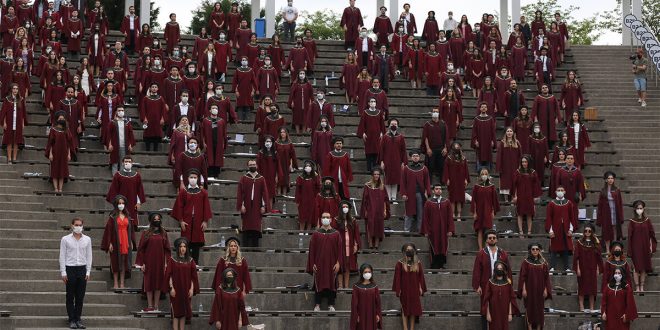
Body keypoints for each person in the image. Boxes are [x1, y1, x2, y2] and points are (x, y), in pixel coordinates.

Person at [472, 229, 511, 330]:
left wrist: (509, 283)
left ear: (497, 240)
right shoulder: (481, 253)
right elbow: (477, 270)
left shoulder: (503, 254)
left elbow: (508, 270)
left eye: (494, 238)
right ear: (486, 240)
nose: (492, 239)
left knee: (499, 308)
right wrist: (477, 286)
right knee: (485, 308)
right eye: (490, 238)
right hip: (485, 285)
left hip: (500, 285)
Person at [172, 169, 212, 264]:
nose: (193, 179)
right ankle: (185, 263)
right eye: (191, 177)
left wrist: (205, 221)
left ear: (198, 179)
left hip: (198, 221)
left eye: (195, 177)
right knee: (185, 243)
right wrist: (181, 221)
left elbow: (206, 207)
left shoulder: (203, 193)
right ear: (188, 178)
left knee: (196, 245)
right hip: (186, 221)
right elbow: (179, 207)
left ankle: (195, 264)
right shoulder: (183, 192)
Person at [59, 217, 92, 330]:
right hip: (70, 268)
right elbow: (62, 256)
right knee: (70, 295)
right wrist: (63, 272)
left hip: (82, 269)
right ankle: (72, 319)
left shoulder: (87, 239)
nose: (78, 227)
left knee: (80, 296)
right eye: (76, 225)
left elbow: (89, 256)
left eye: (80, 225)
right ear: (72, 225)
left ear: (83, 226)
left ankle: (78, 319)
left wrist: (88, 271)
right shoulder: (65, 239)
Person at [307, 212, 342, 312]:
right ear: (321, 219)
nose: (325, 219)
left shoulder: (336, 234)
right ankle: (317, 304)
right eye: (323, 217)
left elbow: (340, 250)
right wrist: (312, 263)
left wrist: (338, 263)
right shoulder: (316, 234)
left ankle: (331, 304)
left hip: (332, 264)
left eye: (327, 217)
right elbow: (312, 250)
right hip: (319, 264)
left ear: (331, 219)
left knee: (332, 283)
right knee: (319, 282)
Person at [135, 213, 170, 312]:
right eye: (155, 219)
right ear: (151, 221)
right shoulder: (146, 233)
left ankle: (156, 306)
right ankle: (150, 305)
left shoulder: (164, 233)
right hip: (148, 262)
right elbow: (141, 249)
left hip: (160, 262)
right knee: (149, 283)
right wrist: (141, 263)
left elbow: (167, 249)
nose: (157, 221)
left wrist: (166, 262)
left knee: (159, 283)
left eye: (158, 219)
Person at [166, 237, 200, 330]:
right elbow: (169, 275)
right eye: (181, 246)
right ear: (178, 248)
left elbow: (194, 277)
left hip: (186, 290)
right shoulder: (172, 260)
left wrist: (192, 289)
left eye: (184, 246)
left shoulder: (191, 260)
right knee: (176, 314)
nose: (183, 248)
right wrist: (171, 288)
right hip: (176, 290)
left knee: (184, 313)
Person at [101, 195, 134, 289]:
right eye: (119, 203)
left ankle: (122, 283)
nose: (121, 205)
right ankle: (115, 283)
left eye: (123, 203)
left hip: (125, 240)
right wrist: (109, 243)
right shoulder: (112, 217)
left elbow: (130, 230)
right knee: (115, 261)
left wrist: (131, 241)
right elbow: (109, 231)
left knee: (124, 261)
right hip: (116, 241)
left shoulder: (128, 216)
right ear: (116, 204)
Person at [236, 159, 271, 247]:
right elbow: (240, 193)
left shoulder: (261, 179)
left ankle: (255, 247)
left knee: (256, 227)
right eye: (251, 165)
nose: (252, 166)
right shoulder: (244, 178)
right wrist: (241, 205)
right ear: (248, 166)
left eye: (254, 164)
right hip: (247, 206)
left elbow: (264, 193)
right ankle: (246, 248)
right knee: (246, 227)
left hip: (257, 206)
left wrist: (264, 206)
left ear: (257, 166)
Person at [393, 243, 427, 330]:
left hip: (414, 289)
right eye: (407, 250)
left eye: (411, 250)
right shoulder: (399, 263)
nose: (409, 251)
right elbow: (397, 278)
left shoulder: (417, 263)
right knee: (404, 309)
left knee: (413, 310)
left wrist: (421, 288)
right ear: (404, 251)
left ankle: (411, 328)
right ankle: (405, 328)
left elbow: (420, 277)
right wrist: (398, 289)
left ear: (414, 251)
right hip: (404, 289)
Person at [518, 242, 552, 330]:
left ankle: (538, 328)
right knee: (529, 309)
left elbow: (546, 278)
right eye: (533, 249)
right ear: (530, 250)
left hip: (540, 290)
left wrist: (545, 289)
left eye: (537, 249)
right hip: (529, 290)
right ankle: (529, 328)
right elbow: (523, 277)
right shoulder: (526, 262)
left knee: (540, 310)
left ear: (539, 250)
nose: (535, 251)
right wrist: (524, 289)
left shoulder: (543, 263)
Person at [106, 155, 146, 229]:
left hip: (133, 201)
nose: (127, 163)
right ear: (123, 163)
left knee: (132, 219)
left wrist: (138, 202)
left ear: (132, 163)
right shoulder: (118, 175)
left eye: (129, 162)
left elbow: (139, 190)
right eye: (126, 161)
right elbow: (113, 189)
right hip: (121, 202)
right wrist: (116, 202)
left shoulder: (137, 176)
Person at [545, 185, 577, 273]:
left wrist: (571, 229)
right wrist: (550, 230)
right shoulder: (552, 203)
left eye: (562, 190)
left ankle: (567, 267)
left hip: (566, 229)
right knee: (554, 248)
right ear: (555, 192)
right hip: (555, 229)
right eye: (558, 190)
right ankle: (552, 267)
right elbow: (549, 218)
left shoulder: (569, 203)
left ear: (565, 192)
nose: (560, 191)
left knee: (566, 248)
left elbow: (572, 217)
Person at [421, 184, 454, 269]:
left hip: (444, 230)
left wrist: (450, 229)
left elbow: (450, 217)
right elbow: (425, 218)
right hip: (433, 230)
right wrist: (426, 231)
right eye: (436, 189)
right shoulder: (429, 203)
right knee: (434, 246)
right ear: (433, 191)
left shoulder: (446, 202)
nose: (438, 190)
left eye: (440, 189)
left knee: (443, 246)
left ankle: (441, 265)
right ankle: (433, 265)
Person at [573, 223, 603, 313]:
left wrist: (598, 268)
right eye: (585, 231)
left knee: (592, 288)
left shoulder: (596, 243)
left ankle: (591, 307)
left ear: (592, 232)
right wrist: (577, 268)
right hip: (582, 267)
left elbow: (599, 257)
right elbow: (576, 257)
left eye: (589, 231)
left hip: (592, 268)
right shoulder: (579, 242)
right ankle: (581, 306)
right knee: (582, 287)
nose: (587, 232)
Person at [628, 200, 657, 292]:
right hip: (635, 247)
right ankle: (637, 286)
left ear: (643, 209)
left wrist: (651, 246)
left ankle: (642, 286)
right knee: (636, 267)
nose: (639, 210)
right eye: (637, 208)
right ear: (634, 209)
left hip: (645, 247)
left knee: (643, 267)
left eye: (641, 208)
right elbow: (629, 237)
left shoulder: (647, 221)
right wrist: (630, 250)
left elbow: (652, 234)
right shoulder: (632, 222)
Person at [400, 150, 431, 233]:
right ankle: (407, 230)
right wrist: (403, 193)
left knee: (421, 213)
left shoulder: (424, 169)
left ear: (419, 157)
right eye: (414, 156)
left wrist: (427, 192)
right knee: (408, 213)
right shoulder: (406, 168)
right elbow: (403, 182)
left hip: (420, 194)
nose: (415, 157)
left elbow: (427, 182)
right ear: (411, 157)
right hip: (409, 194)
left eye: (417, 156)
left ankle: (420, 229)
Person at [483, 261, 519, 330]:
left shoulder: (508, 283)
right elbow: (486, 299)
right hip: (493, 313)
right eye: (498, 268)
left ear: (504, 271)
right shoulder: (490, 282)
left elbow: (511, 299)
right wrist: (488, 314)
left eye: (501, 269)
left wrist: (510, 314)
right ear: (495, 270)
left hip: (504, 313)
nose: (499, 270)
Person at [512, 156, 541, 237]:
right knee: (520, 214)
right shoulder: (517, 172)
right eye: (523, 162)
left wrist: (535, 196)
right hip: (520, 196)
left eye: (525, 162)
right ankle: (521, 232)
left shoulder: (533, 172)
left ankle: (529, 232)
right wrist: (514, 196)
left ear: (528, 162)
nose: (524, 163)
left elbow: (536, 185)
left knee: (529, 214)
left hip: (529, 196)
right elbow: (514, 185)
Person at [360, 168, 389, 250]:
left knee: (378, 226)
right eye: (375, 174)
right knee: (370, 225)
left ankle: (376, 244)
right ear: (372, 175)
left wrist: (385, 210)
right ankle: (370, 244)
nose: (376, 176)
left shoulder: (382, 186)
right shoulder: (367, 186)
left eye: (378, 174)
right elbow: (364, 199)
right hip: (370, 209)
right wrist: (365, 210)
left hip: (379, 210)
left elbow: (385, 199)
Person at [471, 168, 500, 250]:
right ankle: (480, 249)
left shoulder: (491, 186)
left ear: (488, 175)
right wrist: (474, 212)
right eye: (482, 174)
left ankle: (487, 248)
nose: (484, 175)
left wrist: (493, 211)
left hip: (488, 210)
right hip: (479, 211)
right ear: (480, 176)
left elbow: (494, 200)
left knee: (488, 229)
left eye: (485, 174)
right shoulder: (476, 186)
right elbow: (474, 200)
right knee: (480, 230)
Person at [334, 200, 360, 288]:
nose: (345, 208)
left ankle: (346, 285)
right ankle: (340, 285)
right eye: (343, 207)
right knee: (341, 264)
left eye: (347, 207)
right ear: (340, 209)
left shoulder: (352, 220)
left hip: (350, 245)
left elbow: (356, 234)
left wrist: (356, 244)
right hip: (339, 246)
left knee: (348, 265)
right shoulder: (336, 220)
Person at [596, 171, 624, 253]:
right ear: (605, 180)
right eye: (609, 178)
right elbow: (600, 205)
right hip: (606, 213)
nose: (610, 180)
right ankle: (608, 249)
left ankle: (614, 247)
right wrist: (599, 218)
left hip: (615, 212)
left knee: (615, 230)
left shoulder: (617, 190)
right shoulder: (603, 191)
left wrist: (621, 216)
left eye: (612, 178)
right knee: (606, 231)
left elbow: (620, 203)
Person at [45, 111, 73, 192]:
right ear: (57, 119)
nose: (61, 120)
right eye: (60, 118)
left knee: (62, 171)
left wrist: (69, 154)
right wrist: (50, 154)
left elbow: (69, 144)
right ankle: (56, 188)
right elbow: (50, 143)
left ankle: (60, 189)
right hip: (55, 153)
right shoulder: (53, 130)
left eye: (63, 119)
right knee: (55, 171)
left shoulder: (67, 130)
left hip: (64, 153)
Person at [380, 118, 407, 200]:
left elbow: (403, 150)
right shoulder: (385, 137)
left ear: (397, 126)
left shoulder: (400, 137)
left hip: (397, 161)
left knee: (396, 179)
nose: (393, 126)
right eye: (392, 124)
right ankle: (388, 197)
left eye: (395, 124)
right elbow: (381, 150)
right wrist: (381, 161)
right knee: (387, 179)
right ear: (389, 125)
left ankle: (394, 197)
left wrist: (403, 162)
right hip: (387, 161)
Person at [0, 83, 27, 164]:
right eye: (14, 88)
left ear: (18, 90)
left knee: (16, 140)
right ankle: (9, 158)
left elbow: (23, 113)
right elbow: (3, 112)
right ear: (11, 89)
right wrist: (4, 123)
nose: (15, 90)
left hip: (18, 122)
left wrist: (22, 123)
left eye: (16, 89)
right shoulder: (7, 99)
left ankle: (14, 158)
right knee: (9, 140)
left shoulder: (21, 100)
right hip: (9, 121)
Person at [350, 263, 382, 329]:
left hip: (372, 314)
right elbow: (354, 303)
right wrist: (356, 315)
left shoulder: (375, 286)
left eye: (369, 272)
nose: (367, 273)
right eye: (365, 272)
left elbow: (378, 302)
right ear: (362, 273)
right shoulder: (356, 286)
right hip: (361, 314)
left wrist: (377, 314)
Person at [357, 97, 385, 171]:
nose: (373, 103)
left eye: (374, 101)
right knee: (369, 151)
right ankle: (369, 168)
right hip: (368, 135)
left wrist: (382, 132)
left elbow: (382, 124)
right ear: (368, 103)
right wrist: (362, 133)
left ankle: (376, 169)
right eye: (371, 101)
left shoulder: (379, 112)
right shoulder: (365, 112)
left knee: (377, 151)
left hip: (377, 136)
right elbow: (362, 124)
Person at [496, 127, 522, 204]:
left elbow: (520, 156)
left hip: (515, 166)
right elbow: (499, 156)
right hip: (505, 167)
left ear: (513, 133)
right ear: (506, 133)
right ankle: (506, 200)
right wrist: (499, 167)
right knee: (505, 182)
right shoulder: (502, 143)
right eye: (508, 131)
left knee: (514, 181)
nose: (509, 133)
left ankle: (513, 199)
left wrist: (520, 166)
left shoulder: (517, 143)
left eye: (511, 131)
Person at [422, 108, 448, 184]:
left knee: (441, 166)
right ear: (431, 113)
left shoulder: (443, 124)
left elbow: (446, 137)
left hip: (441, 148)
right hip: (431, 149)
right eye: (434, 112)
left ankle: (442, 182)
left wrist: (445, 148)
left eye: (437, 112)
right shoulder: (427, 124)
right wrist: (428, 148)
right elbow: (425, 137)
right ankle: (429, 182)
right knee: (430, 166)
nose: (435, 113)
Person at [201, 104, 227, 179]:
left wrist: (224, 144)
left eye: (216, 108)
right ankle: (209, 175)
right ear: (210, 110)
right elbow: (202, 133)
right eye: (213, 108)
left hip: (218, 143)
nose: (215, 109)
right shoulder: (205, 120)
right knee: (209, 158)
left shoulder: (221, 121)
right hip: (209, 142)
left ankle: (216, 176)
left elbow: (224, 134)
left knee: (217, 159)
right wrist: (203, 143)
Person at [106, 107, 135, 174]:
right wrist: (109, 144)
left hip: (124, 146)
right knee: (115, 162)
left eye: (122, 110)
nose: (121, 112)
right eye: (119, 110)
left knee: (124, 163)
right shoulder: (112, 123)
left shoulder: (127, 123)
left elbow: (131, 134)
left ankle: (122, 176)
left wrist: (130, 144)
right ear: (116, 112)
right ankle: (115, 177)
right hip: (115, 145)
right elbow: (108, 135)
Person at [296, 160, 321, 230]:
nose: (308, 167)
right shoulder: (300, 178)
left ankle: (308, 231)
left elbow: (318, 188)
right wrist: (297, 200)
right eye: (306, 166)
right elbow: (298, 190)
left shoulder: (315, 177)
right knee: (302, 216)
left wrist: (317, 176)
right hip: (302, 200)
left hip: (312, 199)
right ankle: (301, 231)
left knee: (310, 215)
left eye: (309, 166)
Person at [471, 103, 496, 171]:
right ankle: (479, 169)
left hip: (488, 141)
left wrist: (493, 140)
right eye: (482, 107)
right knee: (479, 154)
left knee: (488, 154)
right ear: (480, 108)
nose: (484, 108)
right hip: (479, 141)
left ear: (487, 109)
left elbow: (493, 131)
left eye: (485, 107)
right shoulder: (477, 119)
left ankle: (488, 170)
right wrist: (475, 141)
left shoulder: (490, 119)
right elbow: (474, 131)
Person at [231, 56, 256, 121]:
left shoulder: (251, 70)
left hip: (248, 91)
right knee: (240, 106)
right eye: (243, 60)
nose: (244, 61)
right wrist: (236, 91)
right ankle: (239, 120)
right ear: (241, 61)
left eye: (245, 60)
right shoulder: (238, 70)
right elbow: (235, 81)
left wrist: (253, 91)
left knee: (248, 105)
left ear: (247, 61)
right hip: (240, 90)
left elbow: (253, 81)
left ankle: (248, 121)